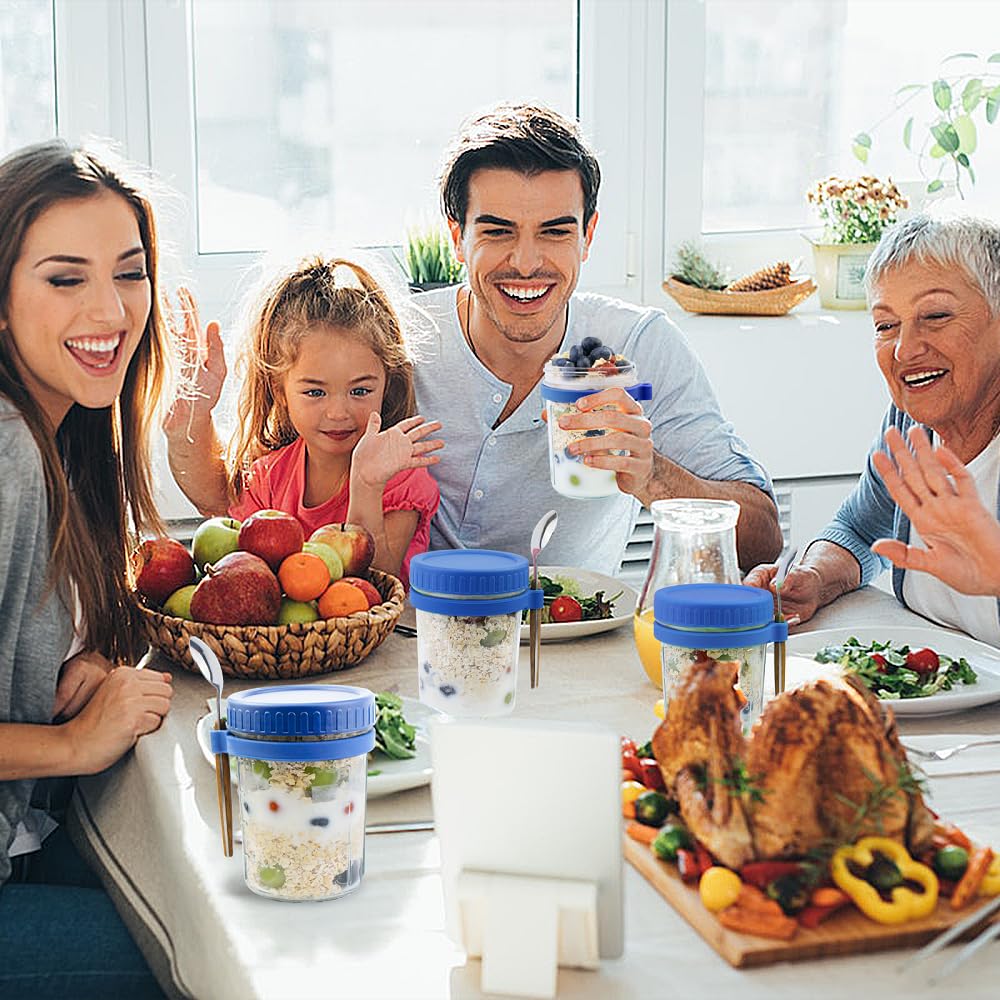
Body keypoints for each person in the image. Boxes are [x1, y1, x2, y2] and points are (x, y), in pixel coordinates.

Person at [166, 104, 782, 573]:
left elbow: (763, 538)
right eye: (498, 230)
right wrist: (192, 418)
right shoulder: (396, 340)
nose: (526, 260)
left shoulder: (637, 346)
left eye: (555, 232)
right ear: (457, 234)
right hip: (407, 643)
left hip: (565, 644)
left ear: (588, 235)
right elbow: (252, 497)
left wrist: (655, 479)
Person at [0, 140, 175, 997]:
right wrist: (71, 741)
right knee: (201, 959)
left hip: (23, 841)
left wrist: (67, 671)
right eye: (66, 279)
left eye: (130, 273)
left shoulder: (63, 431)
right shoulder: (3, 447)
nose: (110, 310)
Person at [745, 215, 1000, 644]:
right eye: (886, 325)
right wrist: (815, 578)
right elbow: (860, 529)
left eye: (935, 315)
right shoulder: (911, 421)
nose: (905, 349)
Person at [173, 256, 441, 587]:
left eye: (360, 390)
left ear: (386, 384)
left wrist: (367, 485)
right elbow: (248, 575)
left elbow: (378, 586)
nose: (338, 413)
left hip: (390, 638)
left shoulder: (401, 475)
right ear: (281, 392)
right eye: (315, 392)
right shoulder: (268, 478)